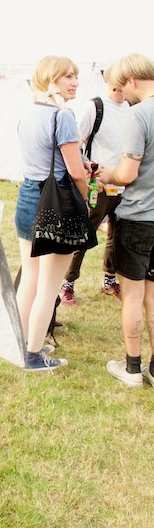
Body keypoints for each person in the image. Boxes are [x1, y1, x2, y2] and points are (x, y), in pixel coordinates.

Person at [15, 55, 87, 371]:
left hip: (28, 197)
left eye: (75, 76)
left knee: (30, 279)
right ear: (51, 78)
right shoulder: (63, 116)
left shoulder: (27, 113)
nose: (75, 82)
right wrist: (85, 202)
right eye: (68, 76)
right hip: (56, 202)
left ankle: (20, 346)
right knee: (48, 285)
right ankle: (33, 356)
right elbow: (76, 171)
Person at [96, 54, 154, 387]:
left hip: (138, 217)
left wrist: (109, 175)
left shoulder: (139, 114)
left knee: (132, 295)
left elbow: (128, 173)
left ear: (132, 80)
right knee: (153, 297)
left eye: (122, 87)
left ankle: (132, 368)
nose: (123, 95)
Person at [59, 65, 129, 305]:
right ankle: (67, 283)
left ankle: (109, 279)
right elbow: (76, 143)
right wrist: (88, 174)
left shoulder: (132, 108)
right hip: (98, 186)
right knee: (84, 234)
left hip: (125, 185)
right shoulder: (96, 107)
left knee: (117, 236)